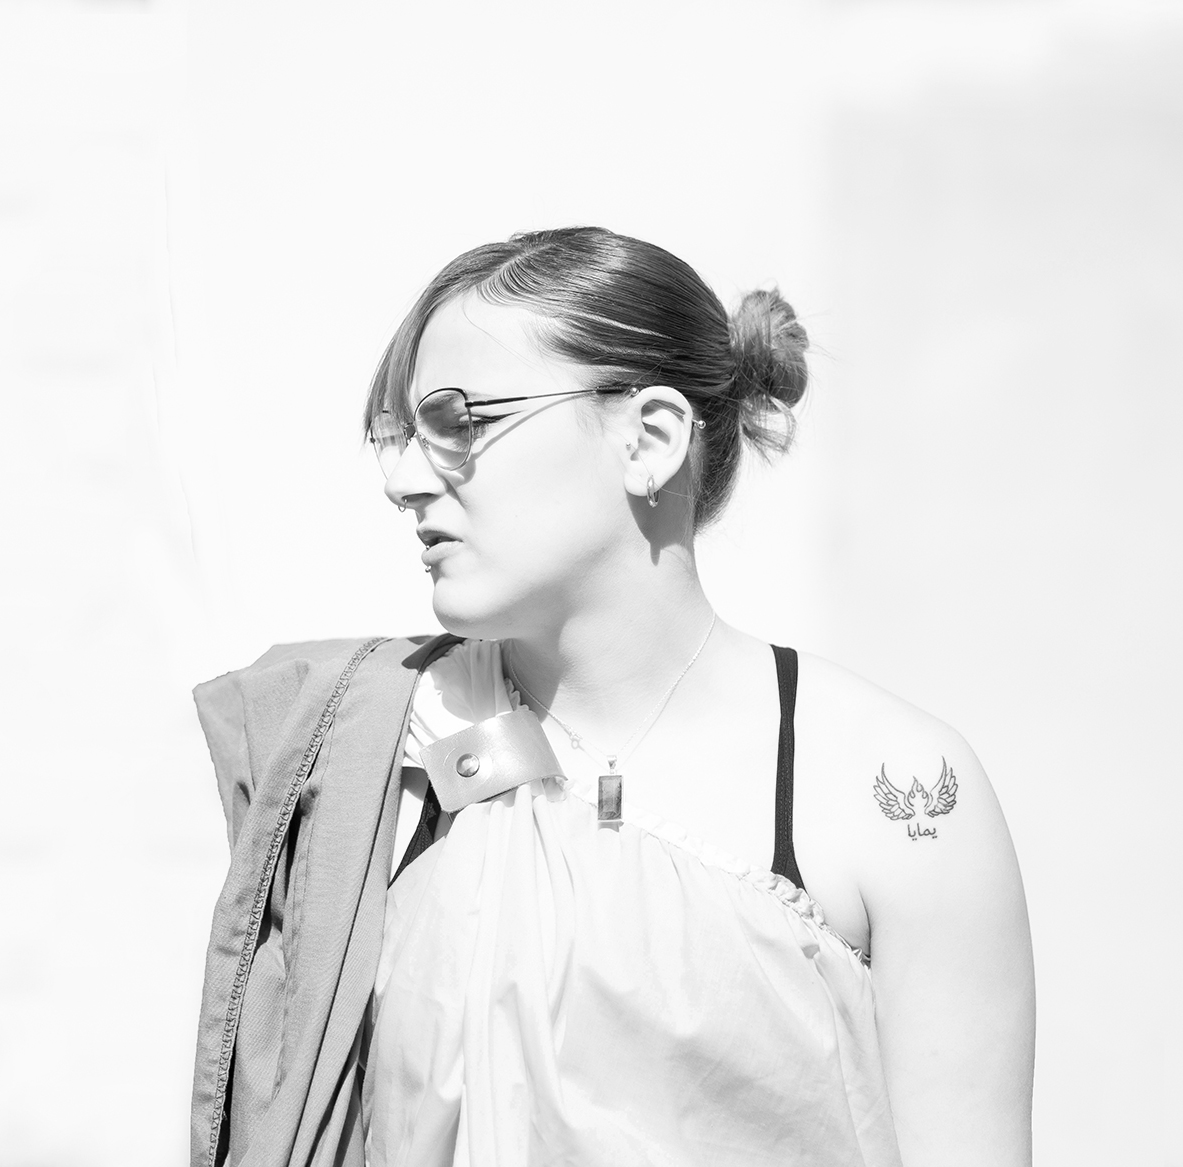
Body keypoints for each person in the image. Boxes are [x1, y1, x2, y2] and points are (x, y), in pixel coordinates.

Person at [189, 227, 1034, 1167]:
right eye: (399, 436)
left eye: (458, 421)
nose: (402, 479)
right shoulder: (367, 748)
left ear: (651, 439)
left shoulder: (895, 794)